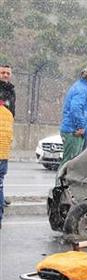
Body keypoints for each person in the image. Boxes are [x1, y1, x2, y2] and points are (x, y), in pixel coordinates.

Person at [59, 67, 87, 168]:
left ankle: (64, 183)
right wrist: (81, 126)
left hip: (72, 130)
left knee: (70, 161)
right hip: (74, 132)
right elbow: (75, 109)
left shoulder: (80, 87)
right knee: (69, 163)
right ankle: (62, 183)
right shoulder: (82, 90)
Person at [0, 64, 15, 229]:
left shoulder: (11, 90)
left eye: (7, 73)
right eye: (3, 72)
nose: (5, 75)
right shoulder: (7, 113)